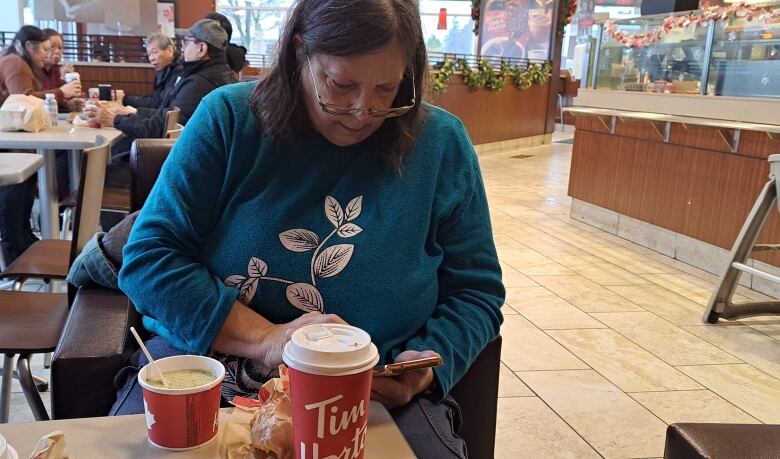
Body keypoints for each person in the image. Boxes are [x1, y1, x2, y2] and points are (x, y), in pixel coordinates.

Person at [114, 1, 504, 458]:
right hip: (210, 366)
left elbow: (477, 291)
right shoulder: (229, 119)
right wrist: (266, 340)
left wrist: (427, 363)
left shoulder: (441, 144)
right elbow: (149, 258)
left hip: (370, 387)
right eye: (341, 85)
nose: (363, 111)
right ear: (300, 50)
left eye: (386, 88)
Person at [85, 19, 237, 186]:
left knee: (96, 171)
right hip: (196, 159)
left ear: (201, 48)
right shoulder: (211, 75)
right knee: (115, 153)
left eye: (186, 43)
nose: (183, 48)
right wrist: (131, 113)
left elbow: (162, 127)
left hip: (187, 168)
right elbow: (166, 112)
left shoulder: (200, 82)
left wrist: (114, 120)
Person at [0, 25, 82, 264]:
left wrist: (63, 97)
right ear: (29, 46)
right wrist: (61, 91)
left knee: (27, 178)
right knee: (18, 184)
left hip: (15, 136)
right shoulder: (15, 63)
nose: (48, 54)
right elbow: (22, 99)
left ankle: (24, 242)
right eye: (45, 49)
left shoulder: (24, 63)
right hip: (9, 139)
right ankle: (15, 249)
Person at [117, 32, 182, 115]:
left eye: (154, 52)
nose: (151, 58)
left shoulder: (179, 72)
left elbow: (157, 104)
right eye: (149, 54)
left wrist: (125, 99)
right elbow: (154, 99)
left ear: (170, 50)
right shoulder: (163, 70)